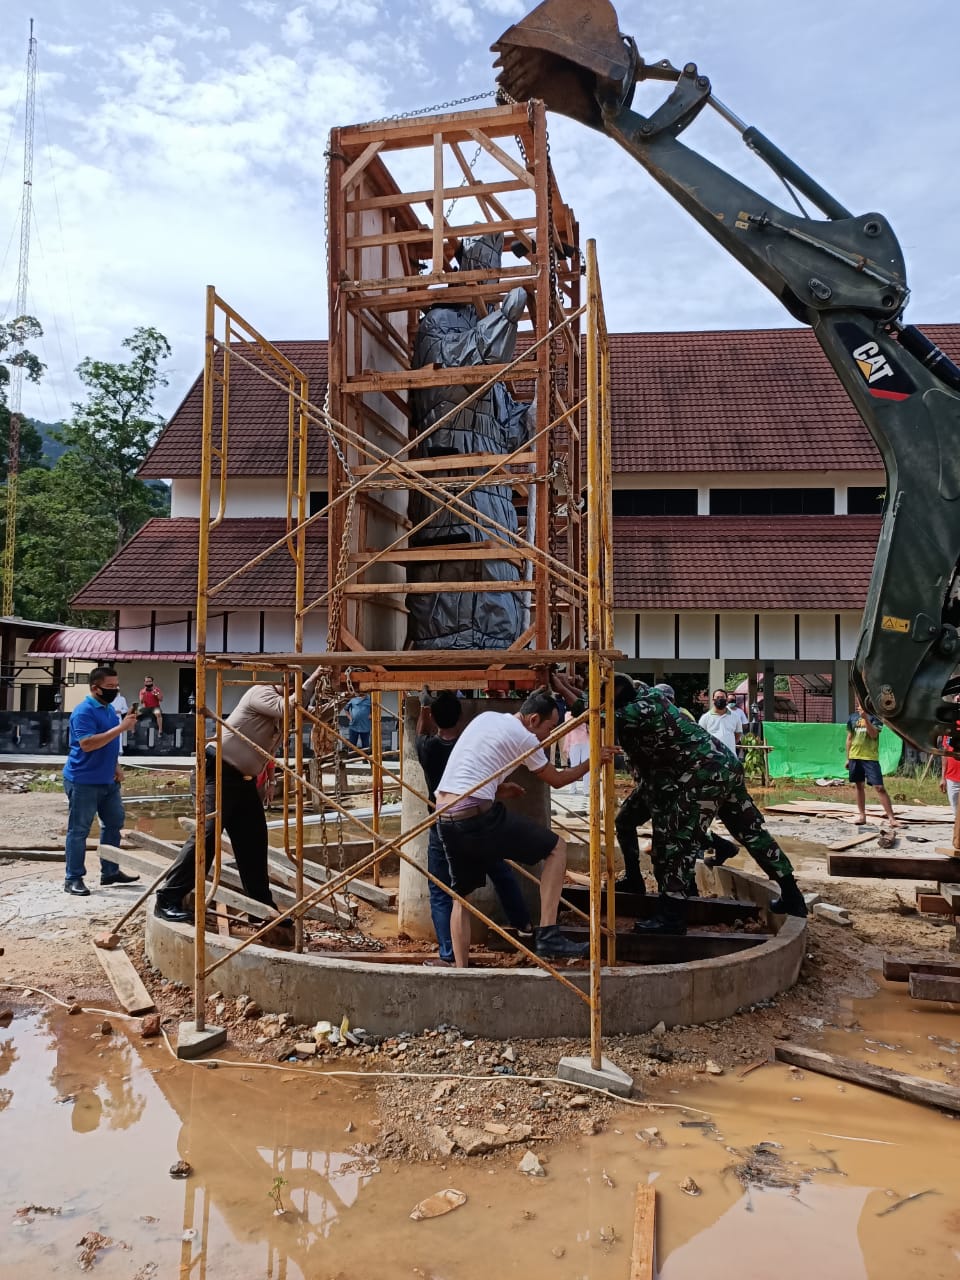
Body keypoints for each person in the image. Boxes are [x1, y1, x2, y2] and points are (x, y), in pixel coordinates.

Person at [554, 670, 806, 933]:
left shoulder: (642, 709)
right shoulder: (638, 693)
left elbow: (595, 716)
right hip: (690, 773)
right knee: (627, 821)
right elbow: (595, 705)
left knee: (676, 841)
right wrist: (570, 686)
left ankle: (672, 916)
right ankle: (634, 879)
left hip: (702, 774)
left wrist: (560, 688)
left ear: (617, 696)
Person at [434, 688, 616, 964]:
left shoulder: (486, 718)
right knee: (556, 848)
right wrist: (595, 760)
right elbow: (557, 779)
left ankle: (462, 970)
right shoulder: (525, 739)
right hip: (478, 819)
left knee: (462, 898)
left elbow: (470, 771)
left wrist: (497, 788)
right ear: (533, 720)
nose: (549, 735)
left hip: (446, 816)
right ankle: (548, 934)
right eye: (550, 727)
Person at [154, 665, 327, 935]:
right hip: (216, 772)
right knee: (207, 834)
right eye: (293, 688)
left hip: (243, 782)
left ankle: (261, 909)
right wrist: (313, 680)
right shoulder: (262, 693)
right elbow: (288, 708)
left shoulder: (284, 707)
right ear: (285, 684)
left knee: (253, 841)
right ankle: (168, 898)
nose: (296, 693)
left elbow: (301, 714)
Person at [415, 689, 532, 966]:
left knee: (443, 891)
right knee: (501, 873)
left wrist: (423, 707)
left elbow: (420, 733)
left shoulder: (428, 749)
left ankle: (450, 954)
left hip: (443, 822)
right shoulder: (469, 748)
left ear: (434, 717)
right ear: (462, 717)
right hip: (478, 820)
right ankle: (526, 930)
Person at [62, 666, 140, 896]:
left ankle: (110, 870)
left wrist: (115, 767)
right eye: (109, 687)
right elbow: (87, 744)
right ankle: (73, 878)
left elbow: (109, 744)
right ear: (95, 688)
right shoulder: (84, 711)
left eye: (116, 686)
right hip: (83, 780)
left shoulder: (108, 710)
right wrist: (121, 727)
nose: (114, 690)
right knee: (79, 830)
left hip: (108, 780)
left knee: (114, 823)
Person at [846, 697, 898, 825]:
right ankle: (862, 816)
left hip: (870, 757)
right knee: (859, 786)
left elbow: (874, 734)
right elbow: (849, 738)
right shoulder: (852, 717)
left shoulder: (876, 717)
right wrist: (848, 758)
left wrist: (865, 719)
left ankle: (892, 818)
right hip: (855, 756)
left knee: (879, 787)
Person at [698, 689, 741, 756]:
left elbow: (737, 735)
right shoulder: (705, 718)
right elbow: (701, 737)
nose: (720, 699)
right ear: (713, 700)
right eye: (717, 697)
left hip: (730, 757)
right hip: (713, 758)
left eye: (722, 697)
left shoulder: (735, 717)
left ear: (726, 700)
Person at [562, 708, 591, 794]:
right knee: (574, 766)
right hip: (574, 742)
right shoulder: (568, 714)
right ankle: (573, 787)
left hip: (586, 741)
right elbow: (569, 728)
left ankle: (586, 788)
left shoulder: (586, 713)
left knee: (586, 766)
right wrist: (566, 745)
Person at [112, 688, 129, 755]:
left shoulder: (122, 699)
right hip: (109, 717)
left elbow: (126, 709)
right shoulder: (108, 698)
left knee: (119, 734)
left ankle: (120, 750)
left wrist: (120, 711)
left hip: (118, 717)